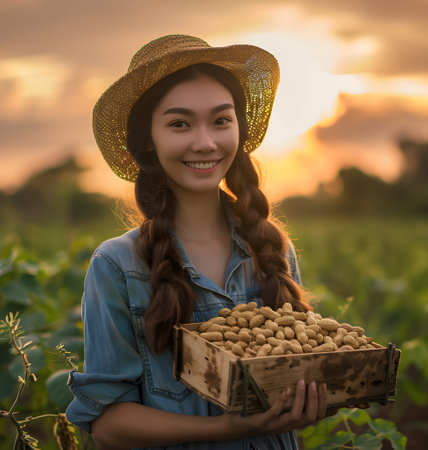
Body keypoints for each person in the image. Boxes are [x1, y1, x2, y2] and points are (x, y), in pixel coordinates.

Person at [66, 34, 330, 449]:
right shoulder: (118, 264)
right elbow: (107, 424)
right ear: (147, 141)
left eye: (221, 120)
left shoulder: (272, 248)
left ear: (238, 129)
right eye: (180, 124)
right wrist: (232, 428)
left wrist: (308, 402)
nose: (205, 142)